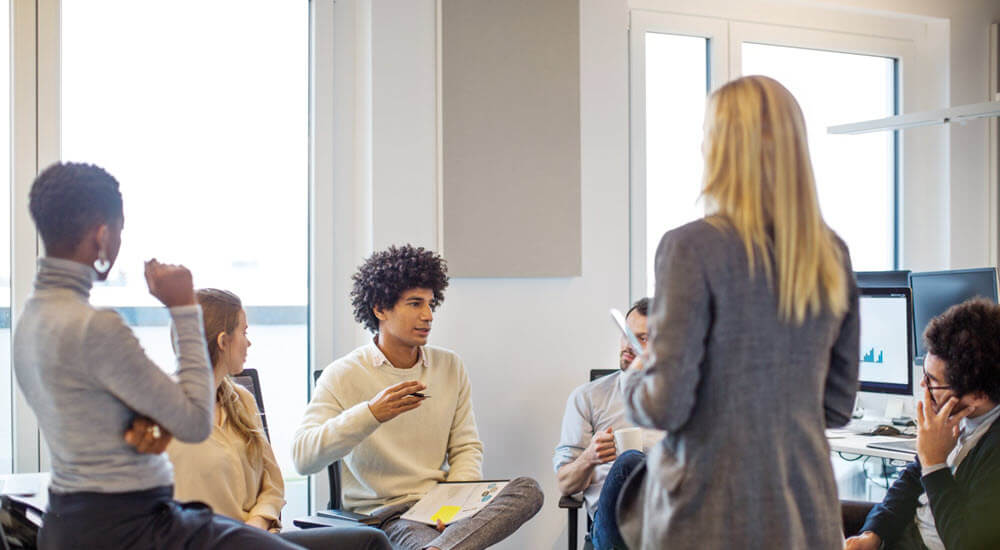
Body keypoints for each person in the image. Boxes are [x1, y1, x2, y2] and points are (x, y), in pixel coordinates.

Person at [618, 75, 860, 549]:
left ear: (721, 148)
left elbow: (666, 405)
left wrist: (637, 373)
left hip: (709, 511)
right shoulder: (832, 253)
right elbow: (836, 405)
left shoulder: (690, 248)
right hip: (806, 512)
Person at [13, 162, 303, 549]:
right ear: (103, 234)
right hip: (134, 528)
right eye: (119, 231)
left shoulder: (30, 323)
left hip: (70, 523)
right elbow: (193, 423)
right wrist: (183, 308)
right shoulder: (96, 327)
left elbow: (95, 420)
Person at [292, 244, 543, 550]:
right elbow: (303, 458)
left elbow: (466, 447)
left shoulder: (449, 366)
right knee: (436, 541)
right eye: (414, 304)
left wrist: (457, 507)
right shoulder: (343, 374)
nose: (427, 316)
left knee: (528, 490)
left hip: (440, 507)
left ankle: (441, 547)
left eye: (430, 304)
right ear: (380, 309)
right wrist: (371, 413)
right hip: (386, 517)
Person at [167, 288, 392, 550]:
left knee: (371, 542)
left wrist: (257, 524)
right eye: (244, 332)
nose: (248, 342)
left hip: (258, 538)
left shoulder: (242, 400)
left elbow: (273, 485)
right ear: (222, 341)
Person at [844, 298, 1000, 550]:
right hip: (904, 538)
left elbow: (968, 542)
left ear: (978, 395)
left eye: (932, 381)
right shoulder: (957, 418)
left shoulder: (993, 449)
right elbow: (909, 483)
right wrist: (872, 534)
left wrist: (935, 463)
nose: (922, 386)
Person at [553, 298, 663, 549]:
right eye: (626, 335)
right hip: (613, 531)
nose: (628, 346)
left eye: (642, 339)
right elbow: (565, 483)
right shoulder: (587, 398)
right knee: (630, 461)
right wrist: (589, 458)